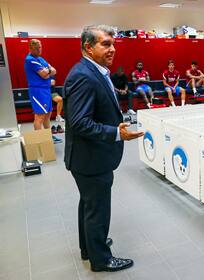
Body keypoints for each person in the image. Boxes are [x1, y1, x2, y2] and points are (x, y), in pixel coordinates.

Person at [63, 25, 143, 272]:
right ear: (88, 47)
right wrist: (115, 133)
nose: (112, 49)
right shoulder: (83, 75)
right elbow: (79, 122)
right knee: (97, 208)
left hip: (89, 157)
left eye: (113, 44)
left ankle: (90, 247)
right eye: (105, 44)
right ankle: (101, 259)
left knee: (89, 204)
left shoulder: (95, 71)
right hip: (91, 158)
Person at [24, 39, 57, 130]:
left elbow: (54, 70)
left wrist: (47, 72)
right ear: (30, 49)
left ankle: (48, 137)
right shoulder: (30, 60)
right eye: (36, 48)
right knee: (40, 116)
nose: (39, 50)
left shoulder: (40, 59)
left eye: (40, 48)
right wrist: (47, 73)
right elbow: (43, 75)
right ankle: (41, 142)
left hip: (46, 90)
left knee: (47, 114)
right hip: (38, 91)